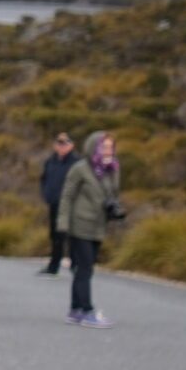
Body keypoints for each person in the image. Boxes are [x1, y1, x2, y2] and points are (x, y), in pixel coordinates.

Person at [58, 131, 123, 327]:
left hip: (98, 225)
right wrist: (63, 224)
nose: (108, 151)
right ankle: (87, 310)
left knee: (84, 269)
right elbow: (67, 196)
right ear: (93, 147)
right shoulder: (80, 169)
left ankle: (75, 309)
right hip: (81, 224)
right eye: (104, 147)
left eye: (111, 147)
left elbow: (112, 194)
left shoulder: (112, 168)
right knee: (85, 268)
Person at [37, 131, 76, 274]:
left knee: (71, 234)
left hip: (71, 204)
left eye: (65, 143)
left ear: (71, 145)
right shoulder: (50, 161)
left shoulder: (76, 163)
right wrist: (46, 194)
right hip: (54, 203)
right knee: (55, 235)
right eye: (59, 143)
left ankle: (75, 264)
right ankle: (54, 265)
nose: (62, 146)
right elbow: (44, 179)